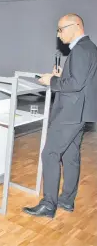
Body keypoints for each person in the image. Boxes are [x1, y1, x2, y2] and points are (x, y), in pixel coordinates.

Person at [23, 14, 97, 218]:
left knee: (50, 154)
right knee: (70, 156)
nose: (58, 34)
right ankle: (67, 200)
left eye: (60, 29)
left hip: (70, 113)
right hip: (80, 112)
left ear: (75, 26)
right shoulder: (89, 47)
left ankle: (49, 205)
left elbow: (75, 85)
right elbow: (80, 80)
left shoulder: (81, 49)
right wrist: (61, 75)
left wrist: (51, 81)